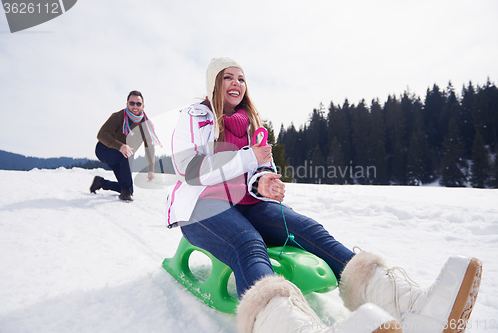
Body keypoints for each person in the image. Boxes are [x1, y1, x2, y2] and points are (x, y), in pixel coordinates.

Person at [166, 58, 482, 333]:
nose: (235, 83)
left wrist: (263, 182)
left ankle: (414, 308)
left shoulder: (252, 124)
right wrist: (250, 158)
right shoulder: (195, 117)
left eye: (241, 78)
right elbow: (190, 170)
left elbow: (263, 167)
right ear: (213, 83)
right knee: (247, 243)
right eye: (227, 77)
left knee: (312, 232)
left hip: (248, 205)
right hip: (202, 209)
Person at [90, 90, 160, 202]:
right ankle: (125, 191)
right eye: (132, 103)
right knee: (126, 153)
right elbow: (101, 134)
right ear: (127, 104)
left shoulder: (147, 125)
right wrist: (120, 146)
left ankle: (101, 183)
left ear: (143, 106)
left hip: (124, 156)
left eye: (138, 104)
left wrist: (151, 169)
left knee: (127, 188)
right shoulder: (118, 116)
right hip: (105, 150)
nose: (135, 106)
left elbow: (149, 147)